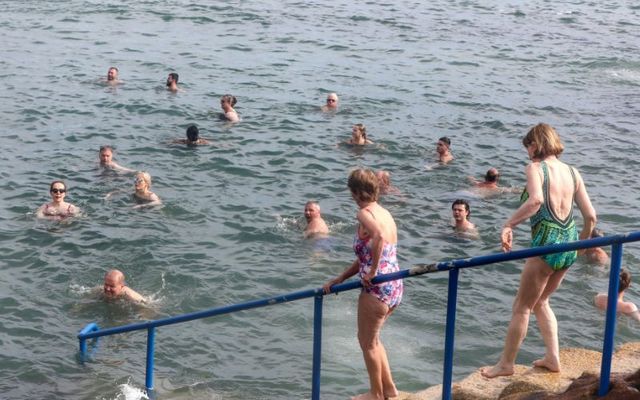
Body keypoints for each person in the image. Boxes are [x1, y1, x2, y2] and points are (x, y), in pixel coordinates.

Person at [481, 123, 596, 378]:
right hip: (569, 245)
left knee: (522, 307)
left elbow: (536, 201)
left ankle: (506, 364)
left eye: (528, 146)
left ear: (536, 144)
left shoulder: (536, 168)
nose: (527, 152)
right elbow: (591, 216)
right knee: (541, 301)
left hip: (546, 245)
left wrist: (508, 224)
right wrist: (581, 245)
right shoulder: (573, 172)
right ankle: (553, 358)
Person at [323, 168, 403, 400]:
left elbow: (377, 237)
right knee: (374, 339)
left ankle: (375, 394)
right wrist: (341, 278)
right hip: (394, 284)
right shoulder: (385, 212)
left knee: (366, 341)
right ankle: (389, 389)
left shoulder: (364, 214)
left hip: (377, 287)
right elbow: (367, 255)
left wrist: (374, 271)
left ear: (356, 192)